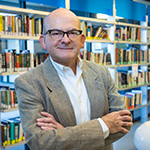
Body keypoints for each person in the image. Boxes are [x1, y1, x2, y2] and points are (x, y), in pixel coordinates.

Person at [14, 8, 133, 150]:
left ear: (82, 40)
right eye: (56, 33)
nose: (66, 39)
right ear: (43, 41)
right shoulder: (28, 83)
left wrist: (64, 134)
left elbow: (124, 123)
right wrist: (104, 125)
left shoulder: (101, 73)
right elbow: (40, 142)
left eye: (72, 33)